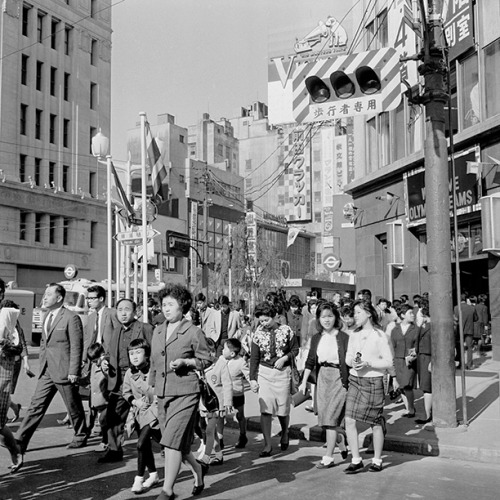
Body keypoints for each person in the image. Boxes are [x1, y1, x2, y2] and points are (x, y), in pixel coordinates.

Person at [150, 284, 213, 500]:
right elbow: (153, 363)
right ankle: (199, 470)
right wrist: (150, 388)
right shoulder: (158, 330)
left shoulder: (193, 331)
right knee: (180, 447)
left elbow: (207, 359)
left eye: (170, 304)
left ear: (182, 306)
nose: (166, 309)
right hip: (162, 393)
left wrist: (187, 361)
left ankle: (167, 491)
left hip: (186, 393)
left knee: (171, 442)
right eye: (163, 305)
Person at [16, 283, 88, 453]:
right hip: (47, 370)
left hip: (64, 370)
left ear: (59, 298)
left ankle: (80, 435)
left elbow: (77, 346)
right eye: (45, 294)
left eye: (49, 294)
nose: (45, 297)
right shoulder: (46, 316)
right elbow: (44, 344)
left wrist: (73, 371)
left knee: (73, 405)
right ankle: (19, 440)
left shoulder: (71, 317)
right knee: (36, 406)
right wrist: (41, 365)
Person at [98, 298, 153, 463]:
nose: (123, 313)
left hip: (141, 379)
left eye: (127, 309)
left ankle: (167, 446)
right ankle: (114, 450)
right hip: (119, 380)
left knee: (151, 416)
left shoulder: (145, 328)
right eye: (119, 309)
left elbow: (156, 353)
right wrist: (104, 362)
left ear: (135, 312)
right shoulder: (115, 331)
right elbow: (109, 353)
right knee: (113, 416)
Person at [344, 299, 394, 474]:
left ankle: (377, 460)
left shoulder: (380, 336)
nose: (354, 316)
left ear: (368, 314)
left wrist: (368, 364)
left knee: (375, 421)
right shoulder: (353, 334)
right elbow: (348, 357)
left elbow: (388, 361)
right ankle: (356, 459)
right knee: (349, 419)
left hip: (374, 381)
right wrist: (354, 362)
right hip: (355, 380)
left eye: (358, 312)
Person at [299, 302, 350, 469]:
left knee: (330, 418)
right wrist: (304, 381)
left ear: (335, 317)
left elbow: (349, 361)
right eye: (323, 317)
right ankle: (340, 441)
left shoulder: (343, 338)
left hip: (339, 379)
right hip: (322, 379)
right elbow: (310, 361)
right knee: (325, 419)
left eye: (330, 316)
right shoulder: (316, 338)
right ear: (318, 319)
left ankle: (328, 457)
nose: (326, 320)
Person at [249, 301, 299, 457]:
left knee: (282, 410)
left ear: (275, 317)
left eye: (266, 320)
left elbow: (295, 350)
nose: (264, 323)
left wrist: (284, 358)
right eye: (261, 321)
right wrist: (252, 379)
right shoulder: (257, 334)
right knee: (265, 411)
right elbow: (254, 358)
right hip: (264, 373)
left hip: (282, 373)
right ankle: (267, 444)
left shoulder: (287, 331)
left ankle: (285, 433)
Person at [123, 338, 162, 494]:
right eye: (131, 353)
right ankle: (153, 475)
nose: (134, 356)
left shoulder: (155, 370)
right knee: (145, 446)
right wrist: (135, 402)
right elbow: (126, 393)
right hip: (140, 413)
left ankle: (138, 478)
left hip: (155, 411)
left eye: (138, 352)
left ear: (147, 355)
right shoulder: (129, 373)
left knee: (140, 444)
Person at [196, 339, 233, 466]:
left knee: (210, 430)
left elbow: (227, 384)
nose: (210, 354)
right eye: (207, 352)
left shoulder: (220, 364)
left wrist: (227, 403)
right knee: (210, 431)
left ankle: (206, 457)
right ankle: (219, 455)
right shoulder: (198, 366)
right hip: (204, 405)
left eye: (212, 351)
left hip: (217, 405)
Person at [0, 290, 24, 473]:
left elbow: (18, 346)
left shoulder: (8, 314)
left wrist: (4, 345)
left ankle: (15, 450)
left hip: (1, 373)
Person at [387, 304, 420, 418]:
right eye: (410, 313)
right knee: (400, 386)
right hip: (397, 360)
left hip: (410, 361)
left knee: (407, 384)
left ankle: (411, 409)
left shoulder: (416, 329)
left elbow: (417, 345)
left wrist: (413, 355)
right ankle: (408, 408)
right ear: (402, 315)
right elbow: (392, 346)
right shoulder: (395, 329)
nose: (413, 315)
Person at [225, 338, 251, 448]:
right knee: (221, 415)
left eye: (224, 349)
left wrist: (254, 384)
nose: (222, 350)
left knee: (240, 415)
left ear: (232, 353)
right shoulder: (223, 360)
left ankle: (243, 435)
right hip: (225, 392)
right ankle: (220, 438)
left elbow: (248, 375)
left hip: (237, 393)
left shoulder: (241, 362)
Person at [86, 342, 109, 449]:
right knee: (89, 418)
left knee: (103, 421)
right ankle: (85, 434)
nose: (94, 363)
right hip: (94, 399)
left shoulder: (105, 364)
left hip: (104, 400)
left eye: (95, 360)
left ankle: (105, 441)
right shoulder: (94, 365)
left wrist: (105, 364)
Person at [416, 302, 432, 424]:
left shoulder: (431, 326)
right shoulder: (424, 326)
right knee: (426, 386)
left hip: (428, 358)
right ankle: (428, 413)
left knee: (427, 387)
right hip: (422, 357)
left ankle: (428, 414)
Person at [454, 293, 478, 370]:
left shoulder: (456, 308)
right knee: (469, 348)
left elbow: (455, 319)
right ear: (466, 299)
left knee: (459, 348)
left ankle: (461, 364)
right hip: (469, 330)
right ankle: (469, 365)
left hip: (459, 330)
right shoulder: (472, 308)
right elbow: (476, 318)